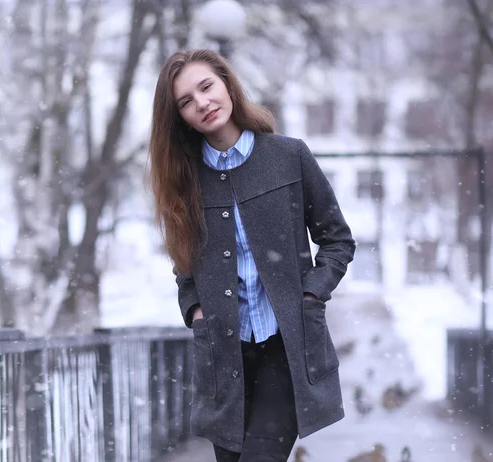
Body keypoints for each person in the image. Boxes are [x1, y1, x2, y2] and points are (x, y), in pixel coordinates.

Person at [148, 48, 356, 461]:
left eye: (206, 87)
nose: (202, 104)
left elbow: (337, 239)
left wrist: (311, 295)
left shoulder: (287, 156)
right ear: (180, 118)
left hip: (287, 349)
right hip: (224, 358)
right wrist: (196, 312)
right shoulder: (183, 181)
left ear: (227, 83)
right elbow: (184, 268)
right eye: (186, 102)